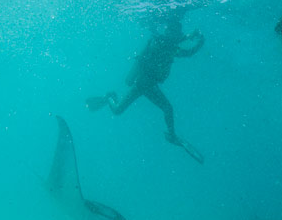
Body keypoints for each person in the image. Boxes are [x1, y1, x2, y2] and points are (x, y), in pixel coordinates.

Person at [87, 18, 204, 148]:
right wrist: (192, 37)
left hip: (150, 85)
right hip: (142, 84)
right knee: (118, 110)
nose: (176, 35)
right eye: (174, 32)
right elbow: (174, 45)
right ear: (169, 32)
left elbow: (187, 53)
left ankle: (172, 135)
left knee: (163, 109)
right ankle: (110, 97)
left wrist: (200, 42)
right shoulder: (159, 43)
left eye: (177, 33)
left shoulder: (172, 47)